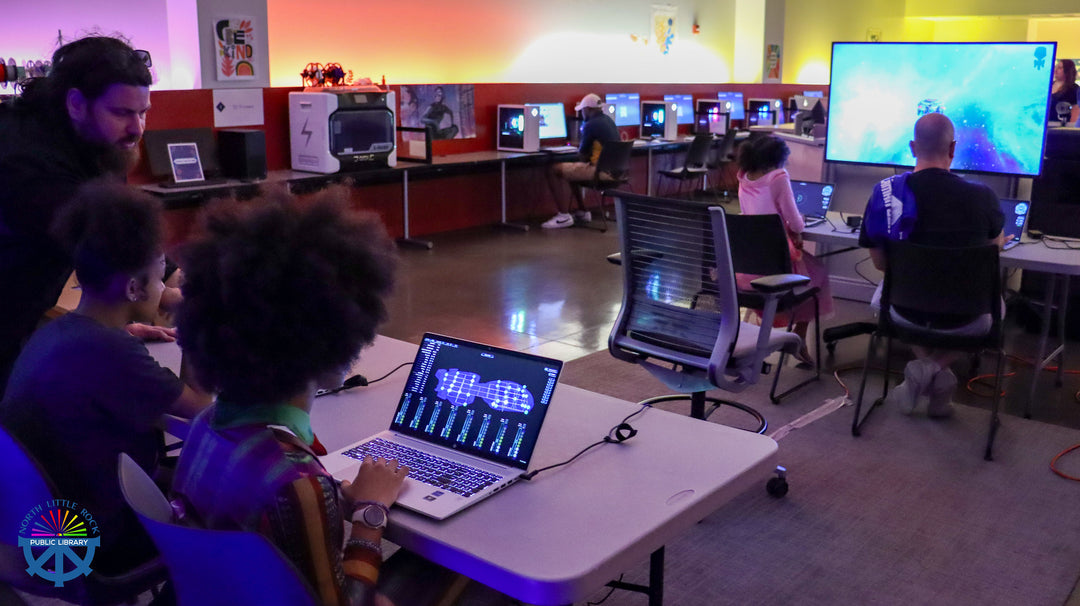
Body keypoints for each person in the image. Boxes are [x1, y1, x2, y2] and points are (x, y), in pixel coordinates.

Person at [170, 187, 518, 606]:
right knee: (504, 580)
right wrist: (370, 512)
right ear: (333, 336)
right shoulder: (298, 483)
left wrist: (338, 498)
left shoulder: (206, 426)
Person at [0, 180, 211, 574]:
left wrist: (125, 332)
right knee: (223, 511)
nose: (164, 288)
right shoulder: (113, 352)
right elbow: (202, 409)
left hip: (39, 528)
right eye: (160, 276)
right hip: (95, 545)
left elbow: (94, 368)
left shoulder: (57, 329)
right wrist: (195, 321)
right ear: (133, 287)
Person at [0, 35, 176, 395]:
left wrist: (110, 320)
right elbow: (107, 235)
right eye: (122, 113)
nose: (137, 129)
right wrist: (166, 292)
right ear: (77, 104)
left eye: (143, 112)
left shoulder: (90, 140)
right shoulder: (29, 163)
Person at [858, 112, 1005, 418]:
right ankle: (937, 368)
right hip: (968, 318)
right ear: (953, 149)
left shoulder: (884, 194)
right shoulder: (983, 195)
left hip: (902, 314)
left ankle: (924, 365)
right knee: (997, 306)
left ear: (912, 148)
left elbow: (881, 264)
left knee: (884, 296)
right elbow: (995, 247)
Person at [735, 134, 834, 366]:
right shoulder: (778, 177)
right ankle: (798, 337)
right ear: (777, 158)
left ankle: (769, 335)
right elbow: (796, 222)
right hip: (776, 266)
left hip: (747, 267)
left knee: (808, 276)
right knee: (818, 274)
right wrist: (800, 224)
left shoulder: (744, 178)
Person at [543, 93, 620, 229]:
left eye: (582, 110)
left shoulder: (590, 125)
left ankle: (563, 216)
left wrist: (576, 146)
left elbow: (582, 156)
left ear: (588, 109)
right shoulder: (608, 120)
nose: (582, 114)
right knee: (571, 170)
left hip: (600, 172)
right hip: (615, 171)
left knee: (553, 169)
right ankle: (583, 211)